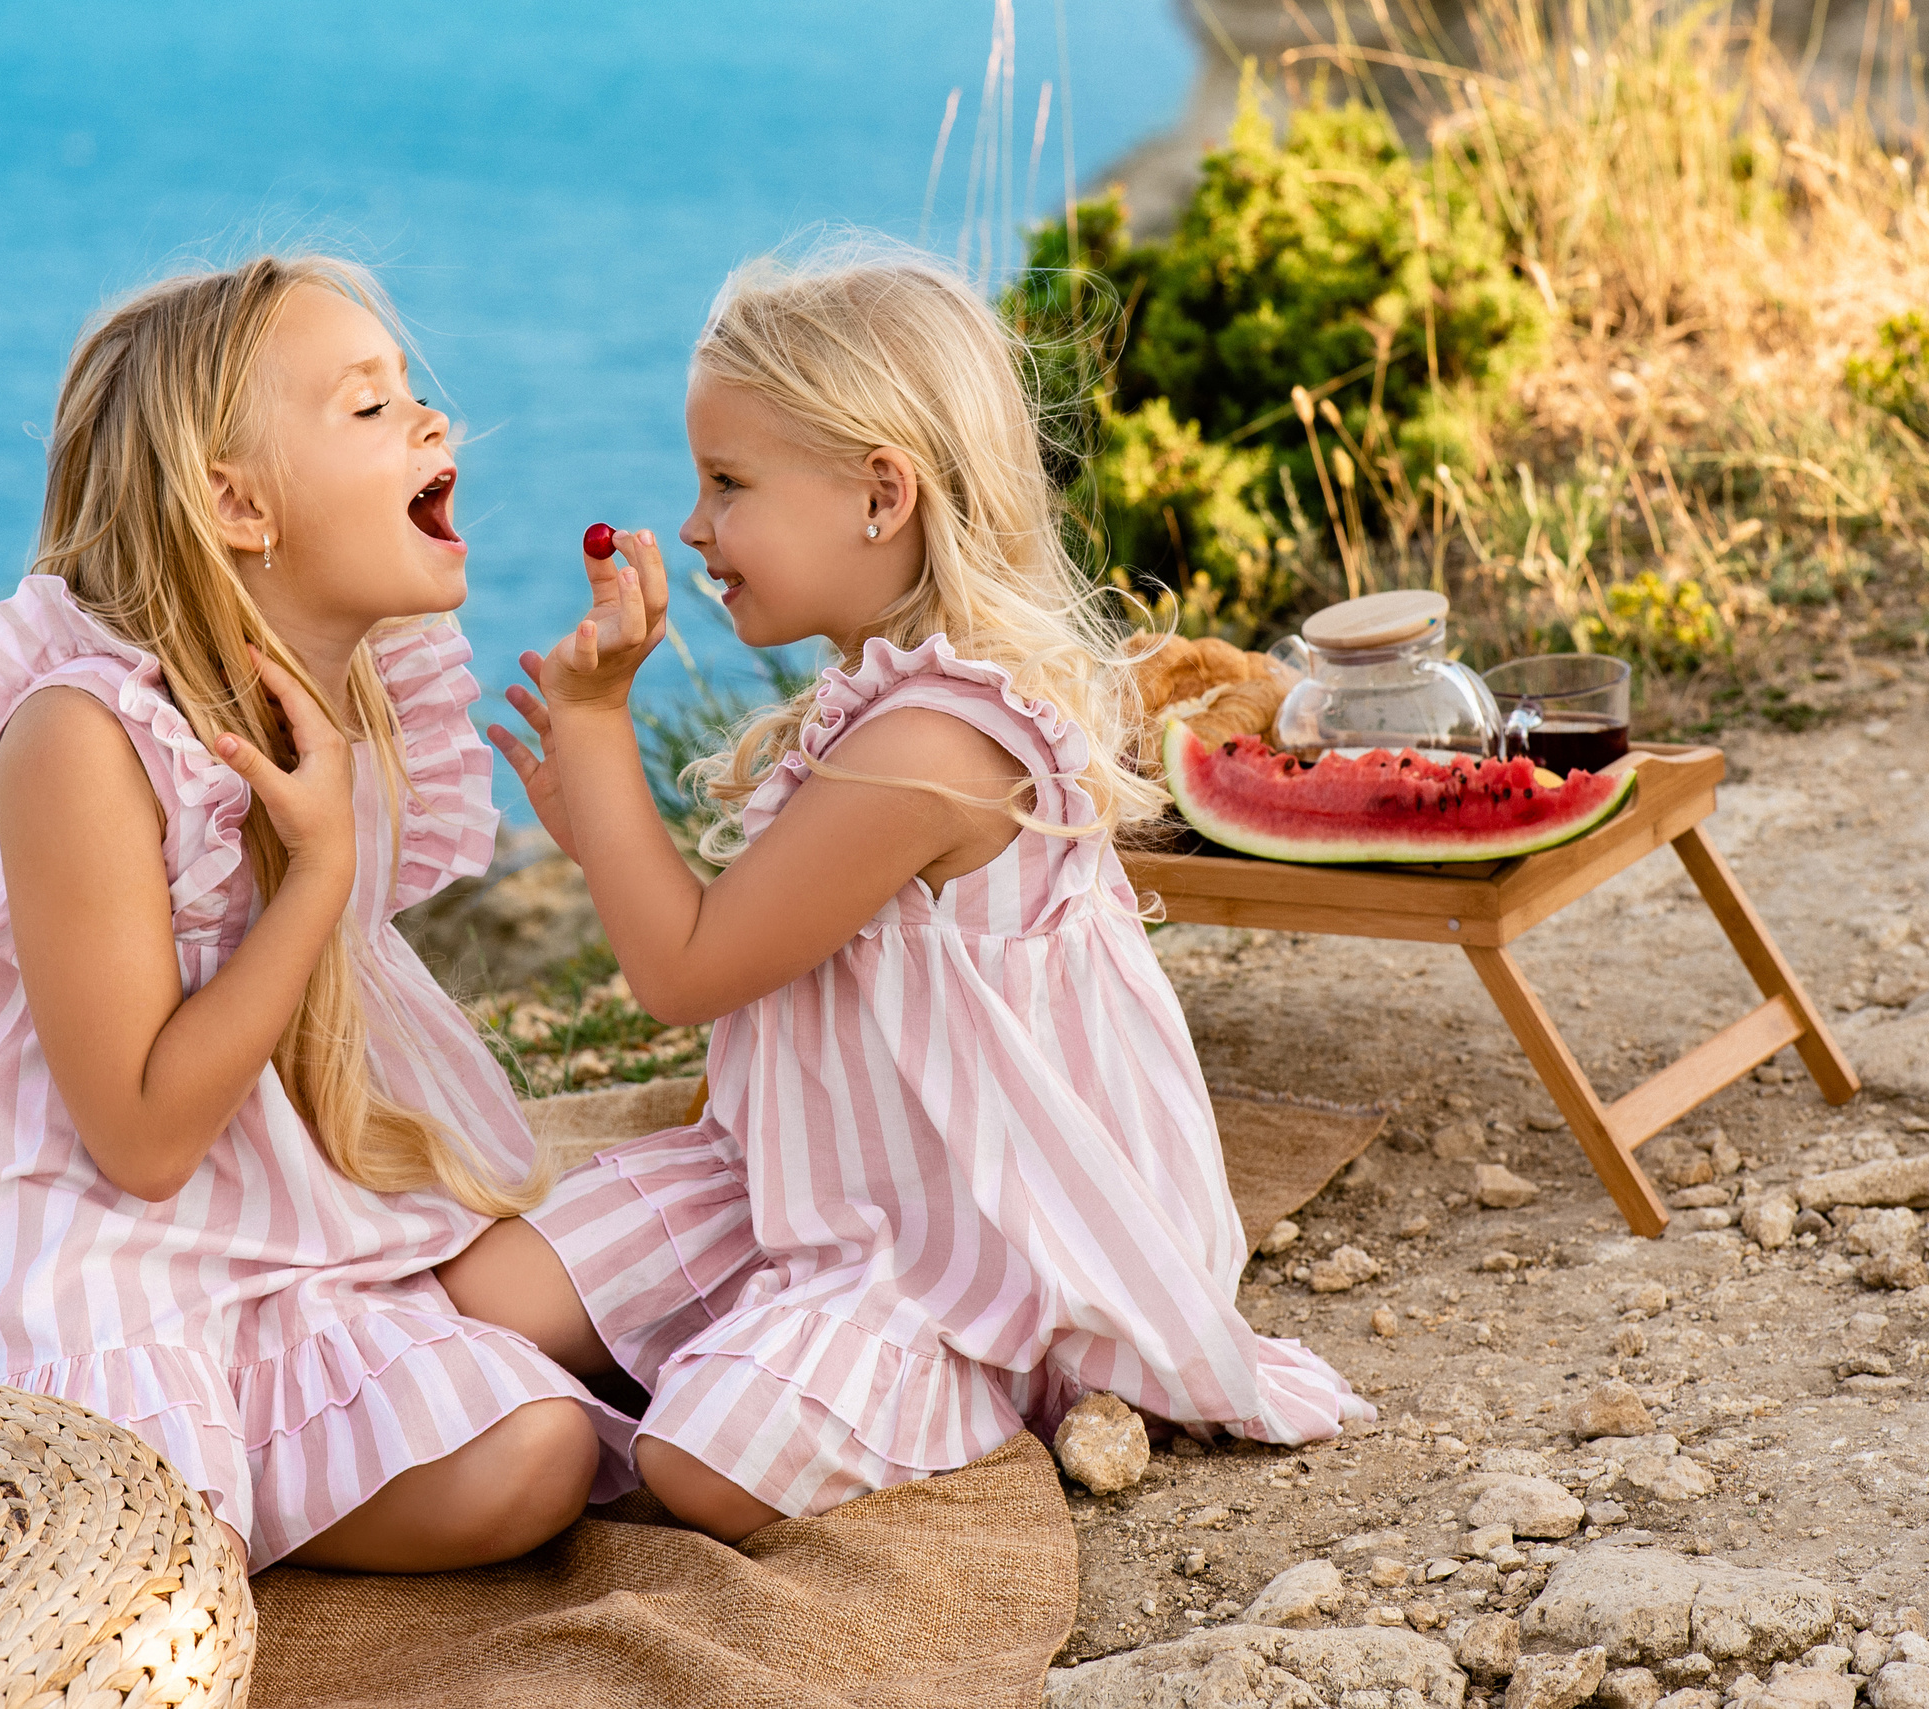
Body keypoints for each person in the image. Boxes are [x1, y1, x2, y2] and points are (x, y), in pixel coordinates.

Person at [442, 245, 1370, 1545]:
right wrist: (604, 835)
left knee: (703, 1463)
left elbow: (683, 973)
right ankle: (678, 1368)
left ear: (883, 493)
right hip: (809, 1164)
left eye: (728, 482)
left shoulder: (933, 749)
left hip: (967, 1234)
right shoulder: (888, 694)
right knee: (478, 1296)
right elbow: (767, 942)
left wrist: (602, 736)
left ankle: (977, 1380)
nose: (697, 525)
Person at [0, 258, 628, 1574]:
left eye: (412, 396)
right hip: (87, 1249)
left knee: (572, 1370)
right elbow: (139, 1135)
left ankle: (293, 1418)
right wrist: (316, 875)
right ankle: (210, 1455)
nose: (434, 425)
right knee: (527, 1453)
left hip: (278, 1214)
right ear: (238, 504)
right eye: (369, 410)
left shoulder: (351, 698)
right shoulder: (81, 737)